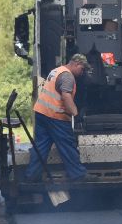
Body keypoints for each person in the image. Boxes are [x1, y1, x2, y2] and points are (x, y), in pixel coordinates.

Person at [24, 54, 90, 185]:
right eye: (82, 69)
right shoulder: (67, 76)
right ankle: (78, 174)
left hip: (41, 113)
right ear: (76, 64)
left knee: (40, 146)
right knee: (67, 145)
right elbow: (66, 96)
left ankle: (32, 176)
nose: (82, 73)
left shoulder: (56, 70)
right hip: (56, 116)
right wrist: (75, 114)